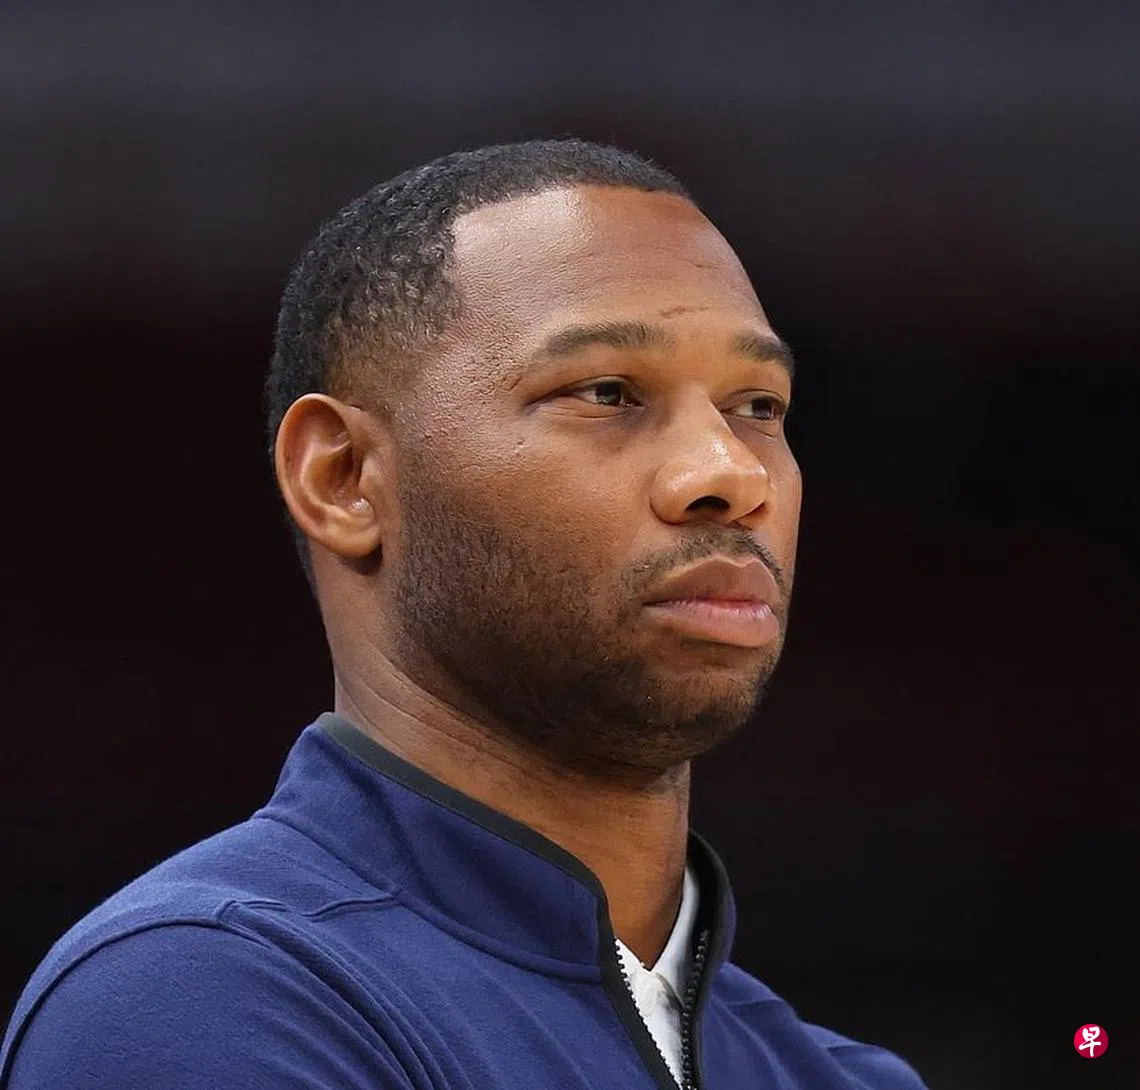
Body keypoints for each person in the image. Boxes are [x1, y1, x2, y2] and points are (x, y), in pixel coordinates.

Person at [1, 139, 926, 1089]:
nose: (729, 472)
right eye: (607, 393)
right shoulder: (200, 1000)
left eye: (758, 406)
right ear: (344, 479)